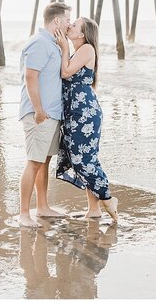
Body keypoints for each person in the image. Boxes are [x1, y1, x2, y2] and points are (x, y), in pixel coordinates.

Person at [54, 17, 118, 222]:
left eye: (74, 25)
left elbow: (65, 73)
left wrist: (63, 47)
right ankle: (94, 210)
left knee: (84, 161)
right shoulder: (78, 51)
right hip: (74, 113)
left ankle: (107, 198)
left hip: (85, 114)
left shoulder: (87, 49)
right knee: (84, 159)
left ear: (82, 34)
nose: (70, 26)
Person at [18, 1, 72, 227]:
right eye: (68, 20)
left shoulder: (53, 43)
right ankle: (23, 214)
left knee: (44, 161)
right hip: (39, 114)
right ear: (57, 21)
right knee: (33, 162)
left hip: (51, 113)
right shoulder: (39, 43)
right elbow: (30, 77)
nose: (70, 25)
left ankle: (42, 207)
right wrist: (39, 110)